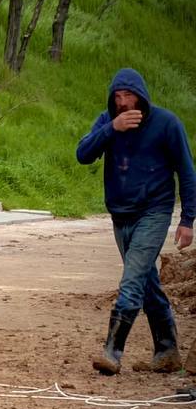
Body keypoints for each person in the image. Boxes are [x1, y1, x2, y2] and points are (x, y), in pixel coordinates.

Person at [76, 68, 195, 375]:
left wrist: (187, 219)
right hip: (121, 214)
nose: (123, 103)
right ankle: (167, 350)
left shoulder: (166, 124)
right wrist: (111, 129)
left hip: (154, 212)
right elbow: (83, 154)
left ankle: (112, 352)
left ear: (141, 97)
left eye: (129, 96)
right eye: (118, 97)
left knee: (131, 281)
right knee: (145, 281)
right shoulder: (108, 122)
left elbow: (187, 171)